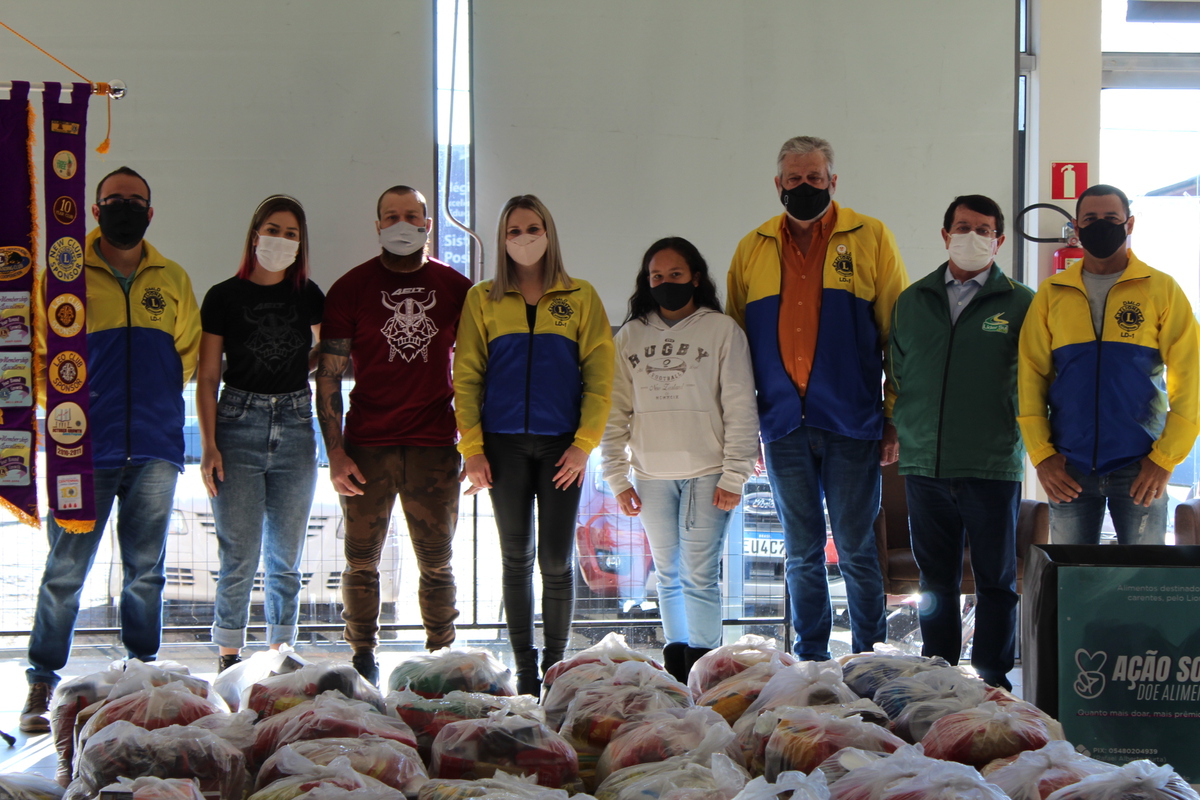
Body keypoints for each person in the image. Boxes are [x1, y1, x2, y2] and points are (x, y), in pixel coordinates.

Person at [23, 167, 201, 732]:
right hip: (82, 451)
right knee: (64, 571)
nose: (126, 207)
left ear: (150, 212)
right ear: (96, 210)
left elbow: (188, 356)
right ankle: (41, 680)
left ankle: (141, 675)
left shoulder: (172, 278)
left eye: (135, 200)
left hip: (154, 447)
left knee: (146, 571)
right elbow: (39, 357)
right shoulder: (63, 278)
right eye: (114, 200)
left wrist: (152, 399)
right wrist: (71, 414)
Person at [727, 136, 907, 661]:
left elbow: (897, 337)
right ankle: (810, 659)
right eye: (795, 178)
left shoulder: (871, 237)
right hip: (782, 425)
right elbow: (735, 349)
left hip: (852, 422)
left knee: (856, 549)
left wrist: (893, 416)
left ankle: (870, 657)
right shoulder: (752, 247)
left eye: (814, 178)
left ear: (833, 180)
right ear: (778, 183)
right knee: (801, 553)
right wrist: (744, 429)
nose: (804, 186)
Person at [454, 195, 614, 696]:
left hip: (562, 449)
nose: (524, 238)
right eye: (513, 231)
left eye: (532, 228)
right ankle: (525, 673)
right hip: (502, 447)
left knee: (556, 562)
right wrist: (472, 448)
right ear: (502, 239)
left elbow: (600, 378)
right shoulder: (482, 298)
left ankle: (554, 669)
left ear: (549, 233)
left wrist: (584, 445)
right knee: (515, 559)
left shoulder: (581, 296)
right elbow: (466, 377)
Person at [317, 185, 472, 685]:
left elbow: (478, 373)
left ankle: (441, 661)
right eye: (391, 216)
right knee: (360, 561)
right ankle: (362, 658)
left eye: (411, 215)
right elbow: (328, 375)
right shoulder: (350, 288)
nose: (401, 224)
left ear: (428, 225)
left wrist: (476, 446)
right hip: (367, 447)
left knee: (437, 562)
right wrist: (335, 453)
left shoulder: (458, 289)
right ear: (378, 225)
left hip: (435, 447)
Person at [888, 195, 1033, 689]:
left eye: (984, 229)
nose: (973, 236)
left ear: (999, 240)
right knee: (935, 583)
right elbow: (897, 375)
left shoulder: (1022, 303)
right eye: (963, 227)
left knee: (996, 581)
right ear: (945, 234)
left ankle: (993, 680)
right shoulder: (912, 301)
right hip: (924, 465)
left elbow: (1036, 379)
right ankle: (939, 676)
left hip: (990, 463)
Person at [600, 237, 758, 684]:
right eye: (657, 276)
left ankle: (706, 676)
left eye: (675, 274)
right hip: (650, 475)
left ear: (696, 278)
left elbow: (741, 405)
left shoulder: (722, 330)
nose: (666, 282)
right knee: (667, 575)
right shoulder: (630, 336)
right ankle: (677, 671)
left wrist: (735, 474)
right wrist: (617, 477)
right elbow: (614, 411)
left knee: (700, 576)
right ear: (646, 282)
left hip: (709, 474)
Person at [1019, 184, 1200, 545]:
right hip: (1069, 465)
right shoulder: (1052, 293)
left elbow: (1190, 379)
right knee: (1072, 574)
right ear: (1076, 227)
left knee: (1143, 576)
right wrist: (1042, 456)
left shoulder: (1161, 289)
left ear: (1129, 224)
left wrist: (1164, 459)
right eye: (1090, 219)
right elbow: (1030, 378)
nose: (1101, 225)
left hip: (1142, 464)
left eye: (1111, 218)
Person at [197, 195, 325, 673]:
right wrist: (209, 445)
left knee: (285, 557)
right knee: (239, 553)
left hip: (295, 424)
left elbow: (331, 351)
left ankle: (281, 654)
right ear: (255, 234)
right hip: (237, 424)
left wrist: (299, 366)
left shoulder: (309, 295)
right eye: (274, 229)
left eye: (291, 234)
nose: (281, 239)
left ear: (300, 243)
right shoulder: (223, 296)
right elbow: (208, 376)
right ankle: (229, 655)